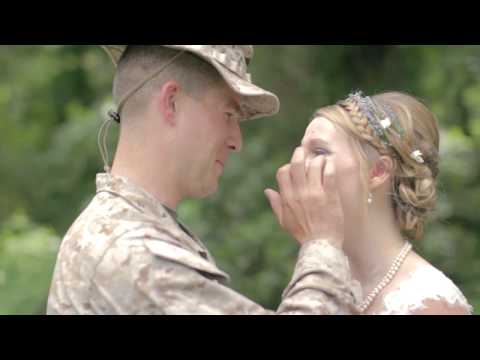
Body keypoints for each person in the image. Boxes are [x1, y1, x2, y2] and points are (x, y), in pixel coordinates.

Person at [46, 45, 361, 315]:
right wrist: (323, 243)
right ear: (171, 102)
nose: (237, 140)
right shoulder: (133, 253)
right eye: (228, 114)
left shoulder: (127, 232)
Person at [279, 90, 472, 314]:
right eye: (300, 150)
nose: (296, 164)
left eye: (319, 151)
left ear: (377, 172)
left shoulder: (430, 303)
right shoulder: (319, 280)